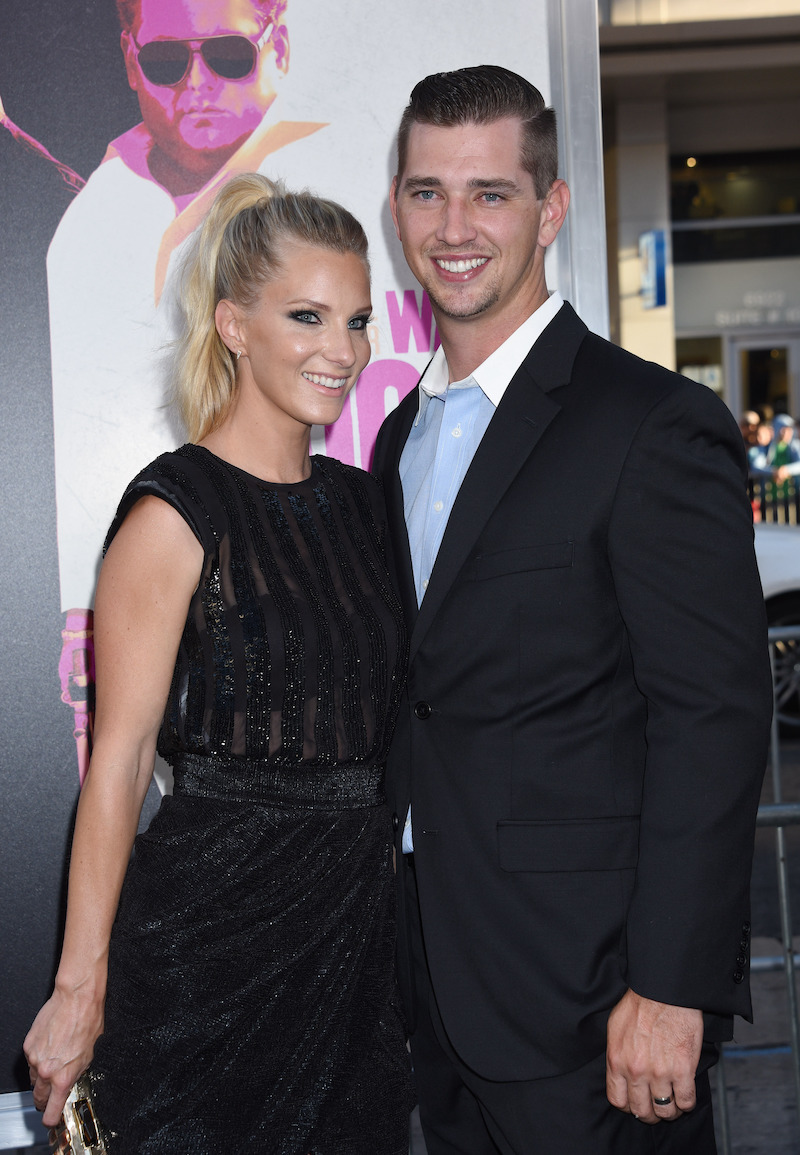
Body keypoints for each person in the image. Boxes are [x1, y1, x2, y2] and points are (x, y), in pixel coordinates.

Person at [372, 65, 772, 1154]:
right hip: (433, 991)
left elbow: (712, 716)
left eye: (488, 193)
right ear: (395, 206)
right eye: (424, 192)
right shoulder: (394, 438)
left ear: (549, 209)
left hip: (594, 1003)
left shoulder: (649, 422)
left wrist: (670, 986)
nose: (453, 228)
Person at [25, 173, 414, 1153]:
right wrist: (81, 987)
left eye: (358, 319)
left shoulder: (369, 509)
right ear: (233, 324)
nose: (343, 350)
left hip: (353, 955)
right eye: (308, 316)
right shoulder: (174, 510)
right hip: (208, 948)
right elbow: (116, 764)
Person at [48, 0, 326, 782]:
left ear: (280, 45)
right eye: (170, 60)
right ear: (131, 58)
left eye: (229, 57)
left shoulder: (349, 174)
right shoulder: (86, 228)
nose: (198, 84)